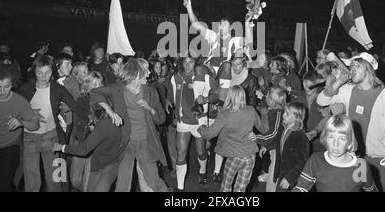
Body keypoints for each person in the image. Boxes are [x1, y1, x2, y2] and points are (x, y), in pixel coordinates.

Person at [316, 52, 385, 192]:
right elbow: (321, 100)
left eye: (356, 65)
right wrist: (339, 82)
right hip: (355, 159)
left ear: (368, 68)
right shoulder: (348, 90)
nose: (351, 69)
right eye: (350, 66)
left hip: (380, 160)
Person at [16, 55, 105, 192]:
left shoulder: (58, 89)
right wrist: (27, 112)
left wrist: (96, 122)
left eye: (47, 72)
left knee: (55, 181)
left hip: (52, 138)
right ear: (34, 71)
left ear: (53, 72)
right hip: (30, 139)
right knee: (32, 182)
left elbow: (76, 107)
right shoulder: (26, 89)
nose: (44, 76)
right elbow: (14, 110)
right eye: (40, 73)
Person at [91, 58, 169, 192]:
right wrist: (110, 112)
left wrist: (150, 108)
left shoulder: (150, 91)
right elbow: (94, 93)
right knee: (123, 185)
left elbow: (161, 119)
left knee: (154, 181)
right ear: (137, 74)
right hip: (126, 143)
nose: (149, 73)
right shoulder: (118, 90)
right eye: (146, 71)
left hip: (145, 142)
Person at [198, 85, 269, 192]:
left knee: (226, 187)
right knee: (240, 189)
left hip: (234, 156)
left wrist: (201, 127)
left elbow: (209, 134)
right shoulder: (251, 110)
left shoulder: (224, 114)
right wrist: (264, 113)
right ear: (242, 96)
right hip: (250, 156)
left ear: (229, 96)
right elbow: (264, 130)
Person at [0, 65, 39, 192]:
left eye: (7, 86)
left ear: (13, 84)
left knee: (1, 185)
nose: (3, 90)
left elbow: (35, 124)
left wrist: (21, 122)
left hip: (9, 147)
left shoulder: (20, 102)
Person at [293, 115, 377, 192]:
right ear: (325, 138)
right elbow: (300, 188)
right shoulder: (316, 161)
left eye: (342, 138)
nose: (335, 144)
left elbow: (371, 190)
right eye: (331, 137)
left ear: (350, 141)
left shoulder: (360, 166)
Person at [52, 106, 123, 192]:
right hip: (95, 159)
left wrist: (62, 147)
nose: (89, 116)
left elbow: (84, 149)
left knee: (86, 186)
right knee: (75, 181)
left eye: (91, 113)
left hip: (105, 164)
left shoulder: (104, 125)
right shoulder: (83, 101)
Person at [167, 55, 210, 190]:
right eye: (185, 62)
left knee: (201, 152)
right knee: (181, 153)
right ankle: (180, 188)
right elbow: (170, 93)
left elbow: (217, 94)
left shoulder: (204, 76)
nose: (187, 65)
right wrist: (168, 101)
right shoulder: (175, 77)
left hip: (199, 121)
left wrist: (207, 98)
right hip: (183, 121)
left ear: (195, 63)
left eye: (190, 62)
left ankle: (203, 171)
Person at [68, 71, 103, 192]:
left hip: (95, 144)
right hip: (81, 141)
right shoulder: (81, 99)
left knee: (88, 184)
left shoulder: (105, 102)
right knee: (75, 179)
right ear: (87, 85)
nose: (97, 87)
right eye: (94, 84)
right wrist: (90, 123)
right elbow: (77, 118)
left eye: (99, 84)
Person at [253, 87, 288, 192]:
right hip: (275, 146)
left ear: (273, 102)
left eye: (268, 96)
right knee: (273, 171)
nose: (266, 97)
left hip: (279, 149)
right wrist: (267, 146)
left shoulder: (278, 113)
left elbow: (274, 133)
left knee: (273, 172)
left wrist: (257, 138)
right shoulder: (275, 110)